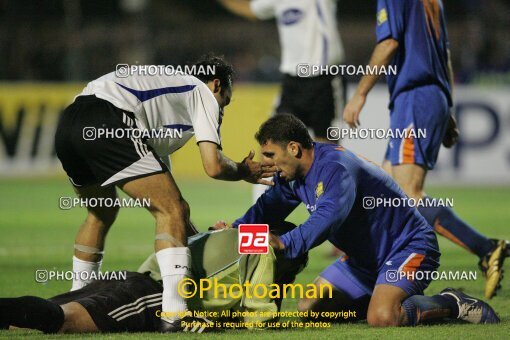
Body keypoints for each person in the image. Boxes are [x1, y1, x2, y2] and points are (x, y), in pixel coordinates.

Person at [54, 54, 275, 332]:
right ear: (217, 85)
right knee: (172, 209)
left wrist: (200, 238)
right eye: (225, 102)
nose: (222, 111)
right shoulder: (200, 90)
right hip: (109, 118)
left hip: (69, 123)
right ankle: (176, 315)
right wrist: (244, 171)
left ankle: (78, 295)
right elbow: (213, 166)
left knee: (101, 214)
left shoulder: (164, 99)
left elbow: (172, 205)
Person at [229, 114, 499, 326]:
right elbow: (268, 208)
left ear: (294, 148)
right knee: (310, 309)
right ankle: (382, 296)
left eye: (270, 155)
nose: (267, 164)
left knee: (383, 318)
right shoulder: (292, 176)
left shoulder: (335, 168)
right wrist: (232, 231)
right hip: (364, 259)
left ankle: (451, 302)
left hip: (408, 247)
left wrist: (285, 243)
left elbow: (327, 218)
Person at [342, 0, 508, 299]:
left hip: (415, 98)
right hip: (426, 97)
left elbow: (389, 41)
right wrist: (446, 108)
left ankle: (487, 248)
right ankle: (374, 266)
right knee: (384, 187)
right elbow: (444, 56)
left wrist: (359, 93)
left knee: (408, 194)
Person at [0, 226, 308, 334]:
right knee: (63, 321)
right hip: (151, 294)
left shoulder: (228, 232)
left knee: (24, 320)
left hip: (128, 279)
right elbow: (258, 317)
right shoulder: (263, 244)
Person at [217, 0, 346, 202]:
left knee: (327, 152)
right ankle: (262, 215)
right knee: (270, 146)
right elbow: (251, 10)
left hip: (325, 77)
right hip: (292, 81)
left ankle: (332, 212)